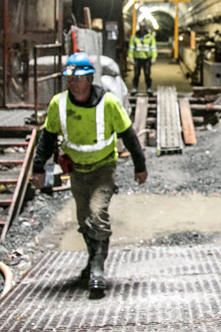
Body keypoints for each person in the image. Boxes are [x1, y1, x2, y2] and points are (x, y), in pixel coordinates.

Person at [32, 51, 148, 296]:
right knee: (84, 219)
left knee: (97, 214)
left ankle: (97, 268)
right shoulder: (59, 104)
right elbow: (47, 138)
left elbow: (129, 136)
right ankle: (92, 257)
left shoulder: (109, 103)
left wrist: (140, 166)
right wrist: (38, 167)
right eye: (70, 78)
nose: (72, 83)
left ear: (89, 79)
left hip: (103, 169)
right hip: (76, 170)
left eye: (78, 78)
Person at [128, 20, 157, 95]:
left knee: (147, 74)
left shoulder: (150, 37)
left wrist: (154, 57)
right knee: (136, 74)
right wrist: (131, 57)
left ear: (145, 27)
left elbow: (153, 48)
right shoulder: (134, 37)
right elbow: (131, 48)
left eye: (143, 27)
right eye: (141, 27)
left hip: (147, 59)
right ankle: (135, 88)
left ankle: (149, 88)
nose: (142, 28)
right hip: (137, 58)